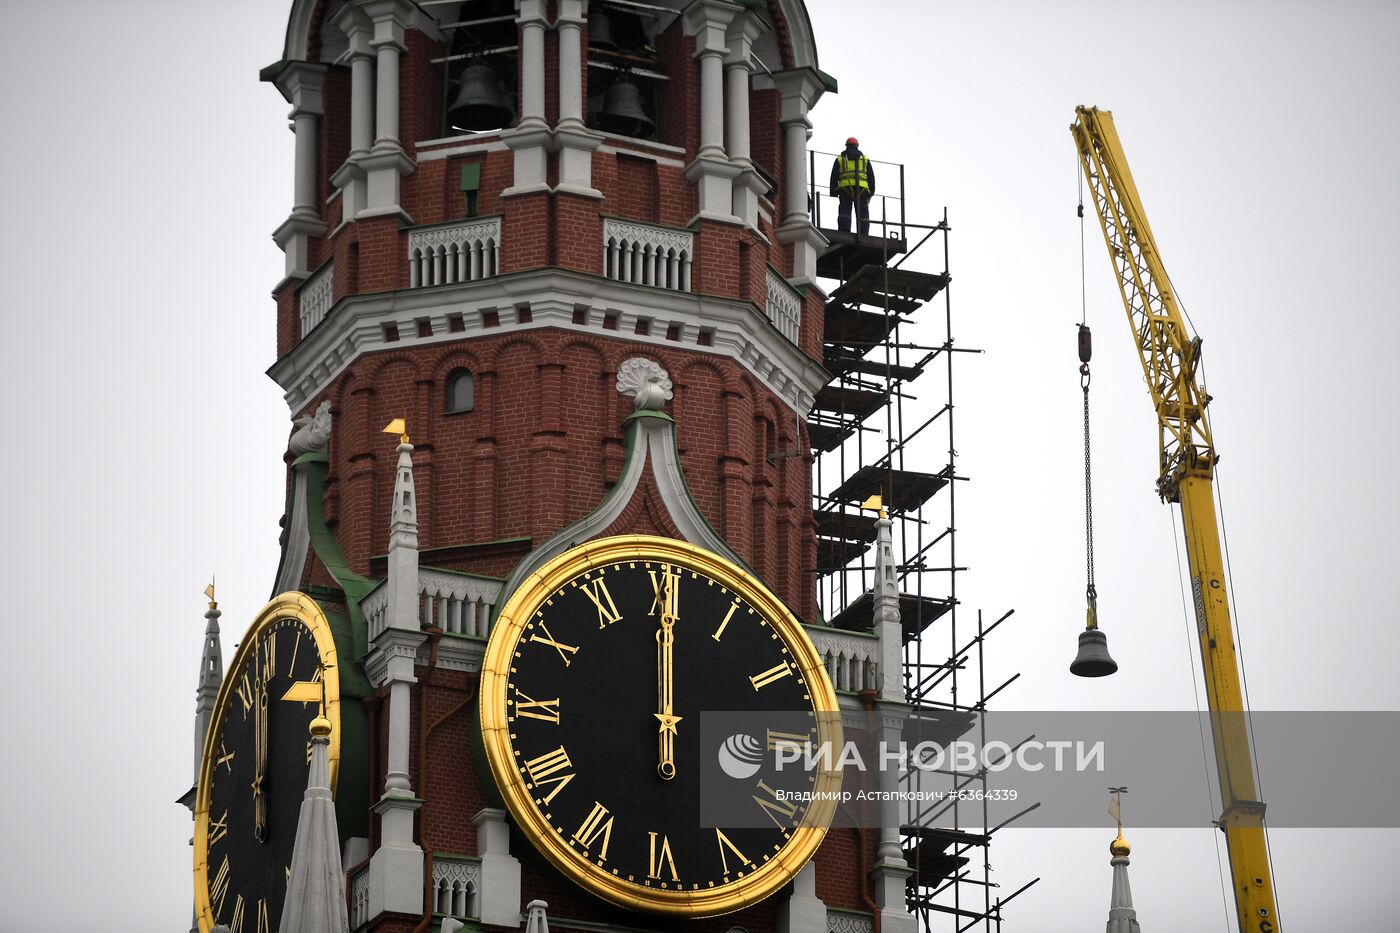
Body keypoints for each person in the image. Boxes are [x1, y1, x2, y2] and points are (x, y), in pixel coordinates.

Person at [830, 137, 875, 235]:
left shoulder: (840, 159)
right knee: (863, 212)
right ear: (857, 146)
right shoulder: (865, 159)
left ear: (846, 146)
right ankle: (863, 233)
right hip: (862, 189)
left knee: (845, 210)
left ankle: (844, 231)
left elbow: (834, 176)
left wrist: (833, 191)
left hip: (845, 188)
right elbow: (871, 176)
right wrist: (871, 192)